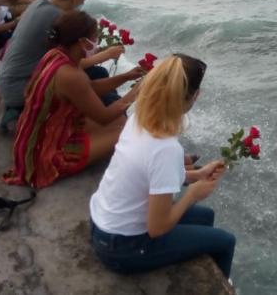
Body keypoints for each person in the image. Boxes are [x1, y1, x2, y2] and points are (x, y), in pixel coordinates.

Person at [89, 54, 236, 279]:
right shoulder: (166, 149)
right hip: (121, 248)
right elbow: (157, 227)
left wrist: (197, 174)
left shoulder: (140, 118)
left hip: (102, 225)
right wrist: (192, 194)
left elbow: (150, 174)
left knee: (205, 216)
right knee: (225, 242)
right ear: (194, 96)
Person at [2, 12, 141, 188]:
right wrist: (136, 93)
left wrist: (126, 77)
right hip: (43, 157)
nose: (97, 43)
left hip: (36, 138)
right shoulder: (70, 75)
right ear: (82, 42)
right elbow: (103, 117)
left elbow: (89, 89)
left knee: (121, 120)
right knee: (128, 131)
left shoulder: (55, 55)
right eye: (94, 38)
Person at [0, 0, 139, 131]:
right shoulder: (58, 19)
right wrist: (106, 55)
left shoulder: (41, 3)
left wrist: (126, 75)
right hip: (19, 89)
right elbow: (66, 67)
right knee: (104, 99)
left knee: (97, 74)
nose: (82, 3)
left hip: (9, 81)